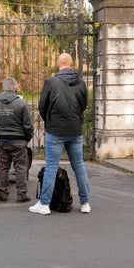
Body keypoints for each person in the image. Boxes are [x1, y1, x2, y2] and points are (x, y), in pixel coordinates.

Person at [29, 53, 91, 215]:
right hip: (75, 130)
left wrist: (49, 121)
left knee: (51, 166)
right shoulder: (81, 83)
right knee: (79, 166)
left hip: (55, 130)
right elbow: (83, 105)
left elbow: (42, 106)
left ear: (58, 64)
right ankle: (85, 203)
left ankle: (44, 204)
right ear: (72, 64)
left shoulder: (51, 82)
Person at [0, 77, 34, 203]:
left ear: (4, 88)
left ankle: (3, 194)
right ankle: (21, 195)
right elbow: (28, 125)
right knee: (20, 168)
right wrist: (27, 138)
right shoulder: (22, 104)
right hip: (19, 141)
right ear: (15, 88)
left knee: (2, 167)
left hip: (2, 141)